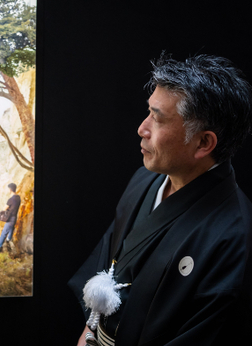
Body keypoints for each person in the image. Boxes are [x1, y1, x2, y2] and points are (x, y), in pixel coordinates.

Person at [68, 54, 252, 346]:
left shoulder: (232, 237)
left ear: (203, 143)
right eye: (148, 112)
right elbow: (109, 264)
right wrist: (89, 331)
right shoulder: (145, 180)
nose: (142, 128)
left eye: (158, 118)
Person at [0, 183, 21, 253]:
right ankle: (8, 239)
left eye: (8, 189)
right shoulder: (18, 197)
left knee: (4, 233)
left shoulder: (11, 200)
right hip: (14, 217)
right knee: (11, 228)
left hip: (10, 218)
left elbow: (4, 209)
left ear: (10, 190)